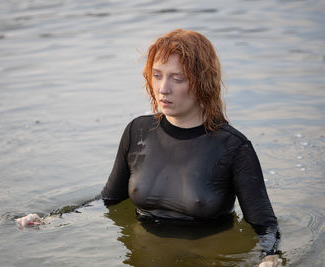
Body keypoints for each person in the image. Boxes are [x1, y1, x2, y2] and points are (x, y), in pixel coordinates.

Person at [101, 29, 282, 267]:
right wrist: (54, 217)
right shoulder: (137, 131)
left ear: (202, 83)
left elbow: (265, 225)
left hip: (207, 258)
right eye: (157, 75)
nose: (163, 88)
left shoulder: (233, 147)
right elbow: (109, 199)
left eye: (177, 79)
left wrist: (270, 257)